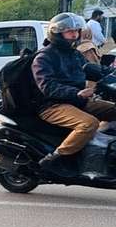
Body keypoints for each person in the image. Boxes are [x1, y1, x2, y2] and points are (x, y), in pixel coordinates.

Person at [33, 13, 116, 168]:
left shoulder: (75, 54)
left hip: (77, 101)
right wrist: (76, 92)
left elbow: (95, 70)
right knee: (89, 124)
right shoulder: (44, 57)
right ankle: (57, 159)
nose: (74, 35)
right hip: (53, 105)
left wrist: (111, 74)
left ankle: (100, 150)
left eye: (76, 31)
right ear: (57, 33)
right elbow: (47, 86)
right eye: (69, 31)